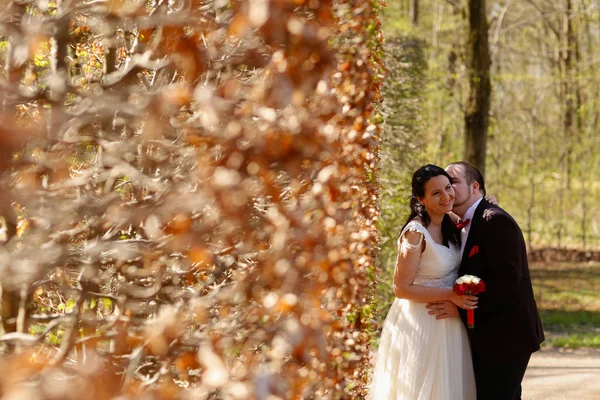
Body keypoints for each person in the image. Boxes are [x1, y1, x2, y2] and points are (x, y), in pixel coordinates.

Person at [427, 161, 545, 400]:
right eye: (445, 185)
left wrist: (460, 308)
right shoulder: (455, 225)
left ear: (475, 187)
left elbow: (507, 284)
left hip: (506, 336)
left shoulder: (495, 221)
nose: (448, 190)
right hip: (481, 335)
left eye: (454, 182)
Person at [369, 164, 477, 400]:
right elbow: (401, 288)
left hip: (449, 324)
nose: (446, 196)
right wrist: (450, 295)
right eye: (435, 193)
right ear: (421, 199)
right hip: (420, 323)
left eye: (448, 188)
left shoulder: (451, 222)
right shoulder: (415, 232)